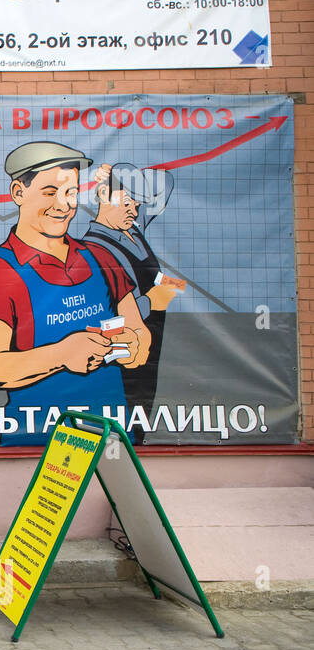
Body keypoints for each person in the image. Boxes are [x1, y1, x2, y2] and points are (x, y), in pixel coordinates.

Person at [0, 141, 151, 445]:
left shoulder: (101, 258)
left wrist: (133, 345)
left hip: (112, 440)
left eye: (71, 193)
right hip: (35, 446)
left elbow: (139, 338)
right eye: (50, 193)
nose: (63, 205)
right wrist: (63, 354)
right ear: (18, 193)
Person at [82, 163, 181, 442]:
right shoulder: (93, 248)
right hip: (126, 343)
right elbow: (106, 312)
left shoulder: (134, 230)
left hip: (152, 337)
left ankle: (139, 438)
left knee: (146, 396)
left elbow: (166, 182)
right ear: (103, 194)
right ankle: (129, 444)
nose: (134, 210)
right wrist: (151, 302)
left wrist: (119, 173)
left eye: (137, 204)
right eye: (127, 202)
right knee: (128, 402)